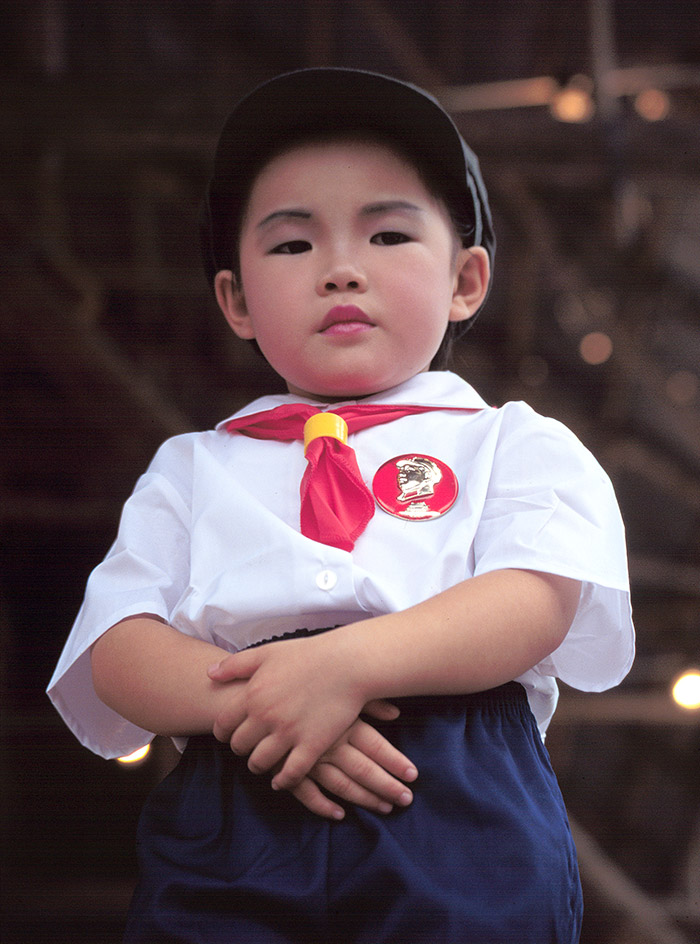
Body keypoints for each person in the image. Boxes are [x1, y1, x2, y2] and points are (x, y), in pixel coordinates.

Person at [47, 68, 635, 943]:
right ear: (236, 301)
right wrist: (257, 705)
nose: (341, 270)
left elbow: (535, 599)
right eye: (292, 246)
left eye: (389, 233)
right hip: (241, 776)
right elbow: (118, 648)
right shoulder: (192, 466)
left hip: (451, 780)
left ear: (466, 280)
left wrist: (342, 667)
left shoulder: (513, 440)